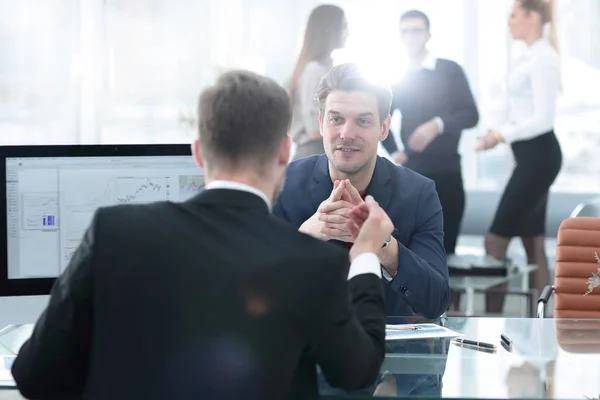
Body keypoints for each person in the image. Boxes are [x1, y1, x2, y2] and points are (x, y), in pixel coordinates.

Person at [11, 70, 391, 400]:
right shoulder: (313, 262)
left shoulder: (112, 232)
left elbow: (34, 375)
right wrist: (367, 256)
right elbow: (356, 375)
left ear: (198, 152)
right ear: (283, 153)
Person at [274, 63, 450, 319]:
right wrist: (304, 239)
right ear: (322, 123)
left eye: (363, 121)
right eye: (336, 119)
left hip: (388, 350)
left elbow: (436, 302)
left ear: (383, 127)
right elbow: (249, 295)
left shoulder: (419, 194)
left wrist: (382, 244)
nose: (347, 134)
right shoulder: (282, 185)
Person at [476, 0, 562, 314]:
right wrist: (497, 135)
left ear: (531, 16)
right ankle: (539, 326)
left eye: (513, 16)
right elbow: (523, 116)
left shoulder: (544, 58)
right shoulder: (530, 57)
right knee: (533, 243)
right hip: (530, 157)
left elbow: (543, 120)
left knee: (494, 242)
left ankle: (488, 324)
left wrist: (500, 135)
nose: (509, 23)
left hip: (540, 158)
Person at [381, 9, 479, 256]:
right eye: (405, 32)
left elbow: (471, 114)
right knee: (411, 253)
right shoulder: (400, 78)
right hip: (412, 175)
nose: (410, 37)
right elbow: (381, 117)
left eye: (416, 30)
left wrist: (437, 124)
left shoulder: (449, 70)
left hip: (448, 174)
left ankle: (449, 297)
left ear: (428, 34)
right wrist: (394, 151)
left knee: (446, 255)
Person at [288, 4, 349, 160]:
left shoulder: (326, 67)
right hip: (312, 152)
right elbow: (314, 130)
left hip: (320, 150)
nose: (347, 33)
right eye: (343, 27)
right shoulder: (314, 70)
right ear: (329, 30)